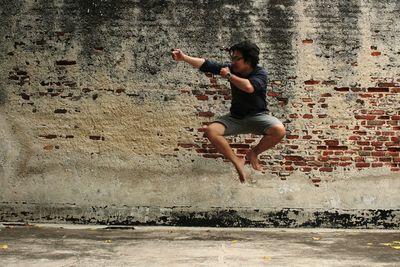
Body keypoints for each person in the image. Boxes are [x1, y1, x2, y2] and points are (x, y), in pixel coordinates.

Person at [172, 41, 286, 183]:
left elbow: (249, 87)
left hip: (258, 117)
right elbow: (206, 64)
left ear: (248, 60)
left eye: (237, 58)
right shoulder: (231, 68)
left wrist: (229, 76)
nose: (233, 62)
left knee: (279, 130)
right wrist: (184, 57)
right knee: (211, 131)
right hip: (235, 118)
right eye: (232, 58)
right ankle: (237, 160)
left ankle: (253, 153)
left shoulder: (260, 73)